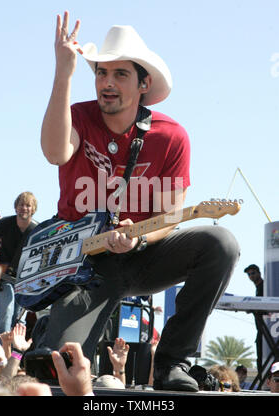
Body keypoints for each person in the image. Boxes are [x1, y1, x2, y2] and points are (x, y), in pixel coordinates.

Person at [38, 11, 240, 392]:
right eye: (101, 73)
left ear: (143, 83)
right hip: (85, 265)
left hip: (144, 255)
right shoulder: (76, 117)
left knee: (221, 244)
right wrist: (63, 73)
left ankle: (172, 363)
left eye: (120, 74)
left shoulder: (171, 136)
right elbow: (54, 152)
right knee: (56, 367)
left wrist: (140, 237)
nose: (107, 83)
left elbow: (169, 216)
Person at [0, 192, 38, 343]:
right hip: (4, 275)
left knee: (19, 317)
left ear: (33, 209)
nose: (23, 208)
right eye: (21, 205)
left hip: (24, 279)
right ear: (15, 207)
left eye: (27, 205)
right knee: (7, 309)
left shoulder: (37, 230)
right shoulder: (5, 224)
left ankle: (15, 354)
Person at [244, 264, 263, 381]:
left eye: (253, 273)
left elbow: (263, 306)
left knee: (263, 358)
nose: (251, 276)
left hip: (268, 329)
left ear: (259, 273)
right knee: (260, 358)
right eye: (249, 274)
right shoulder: (258, 287)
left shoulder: (265, 286)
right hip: (261, 329)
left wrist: (251, 308)